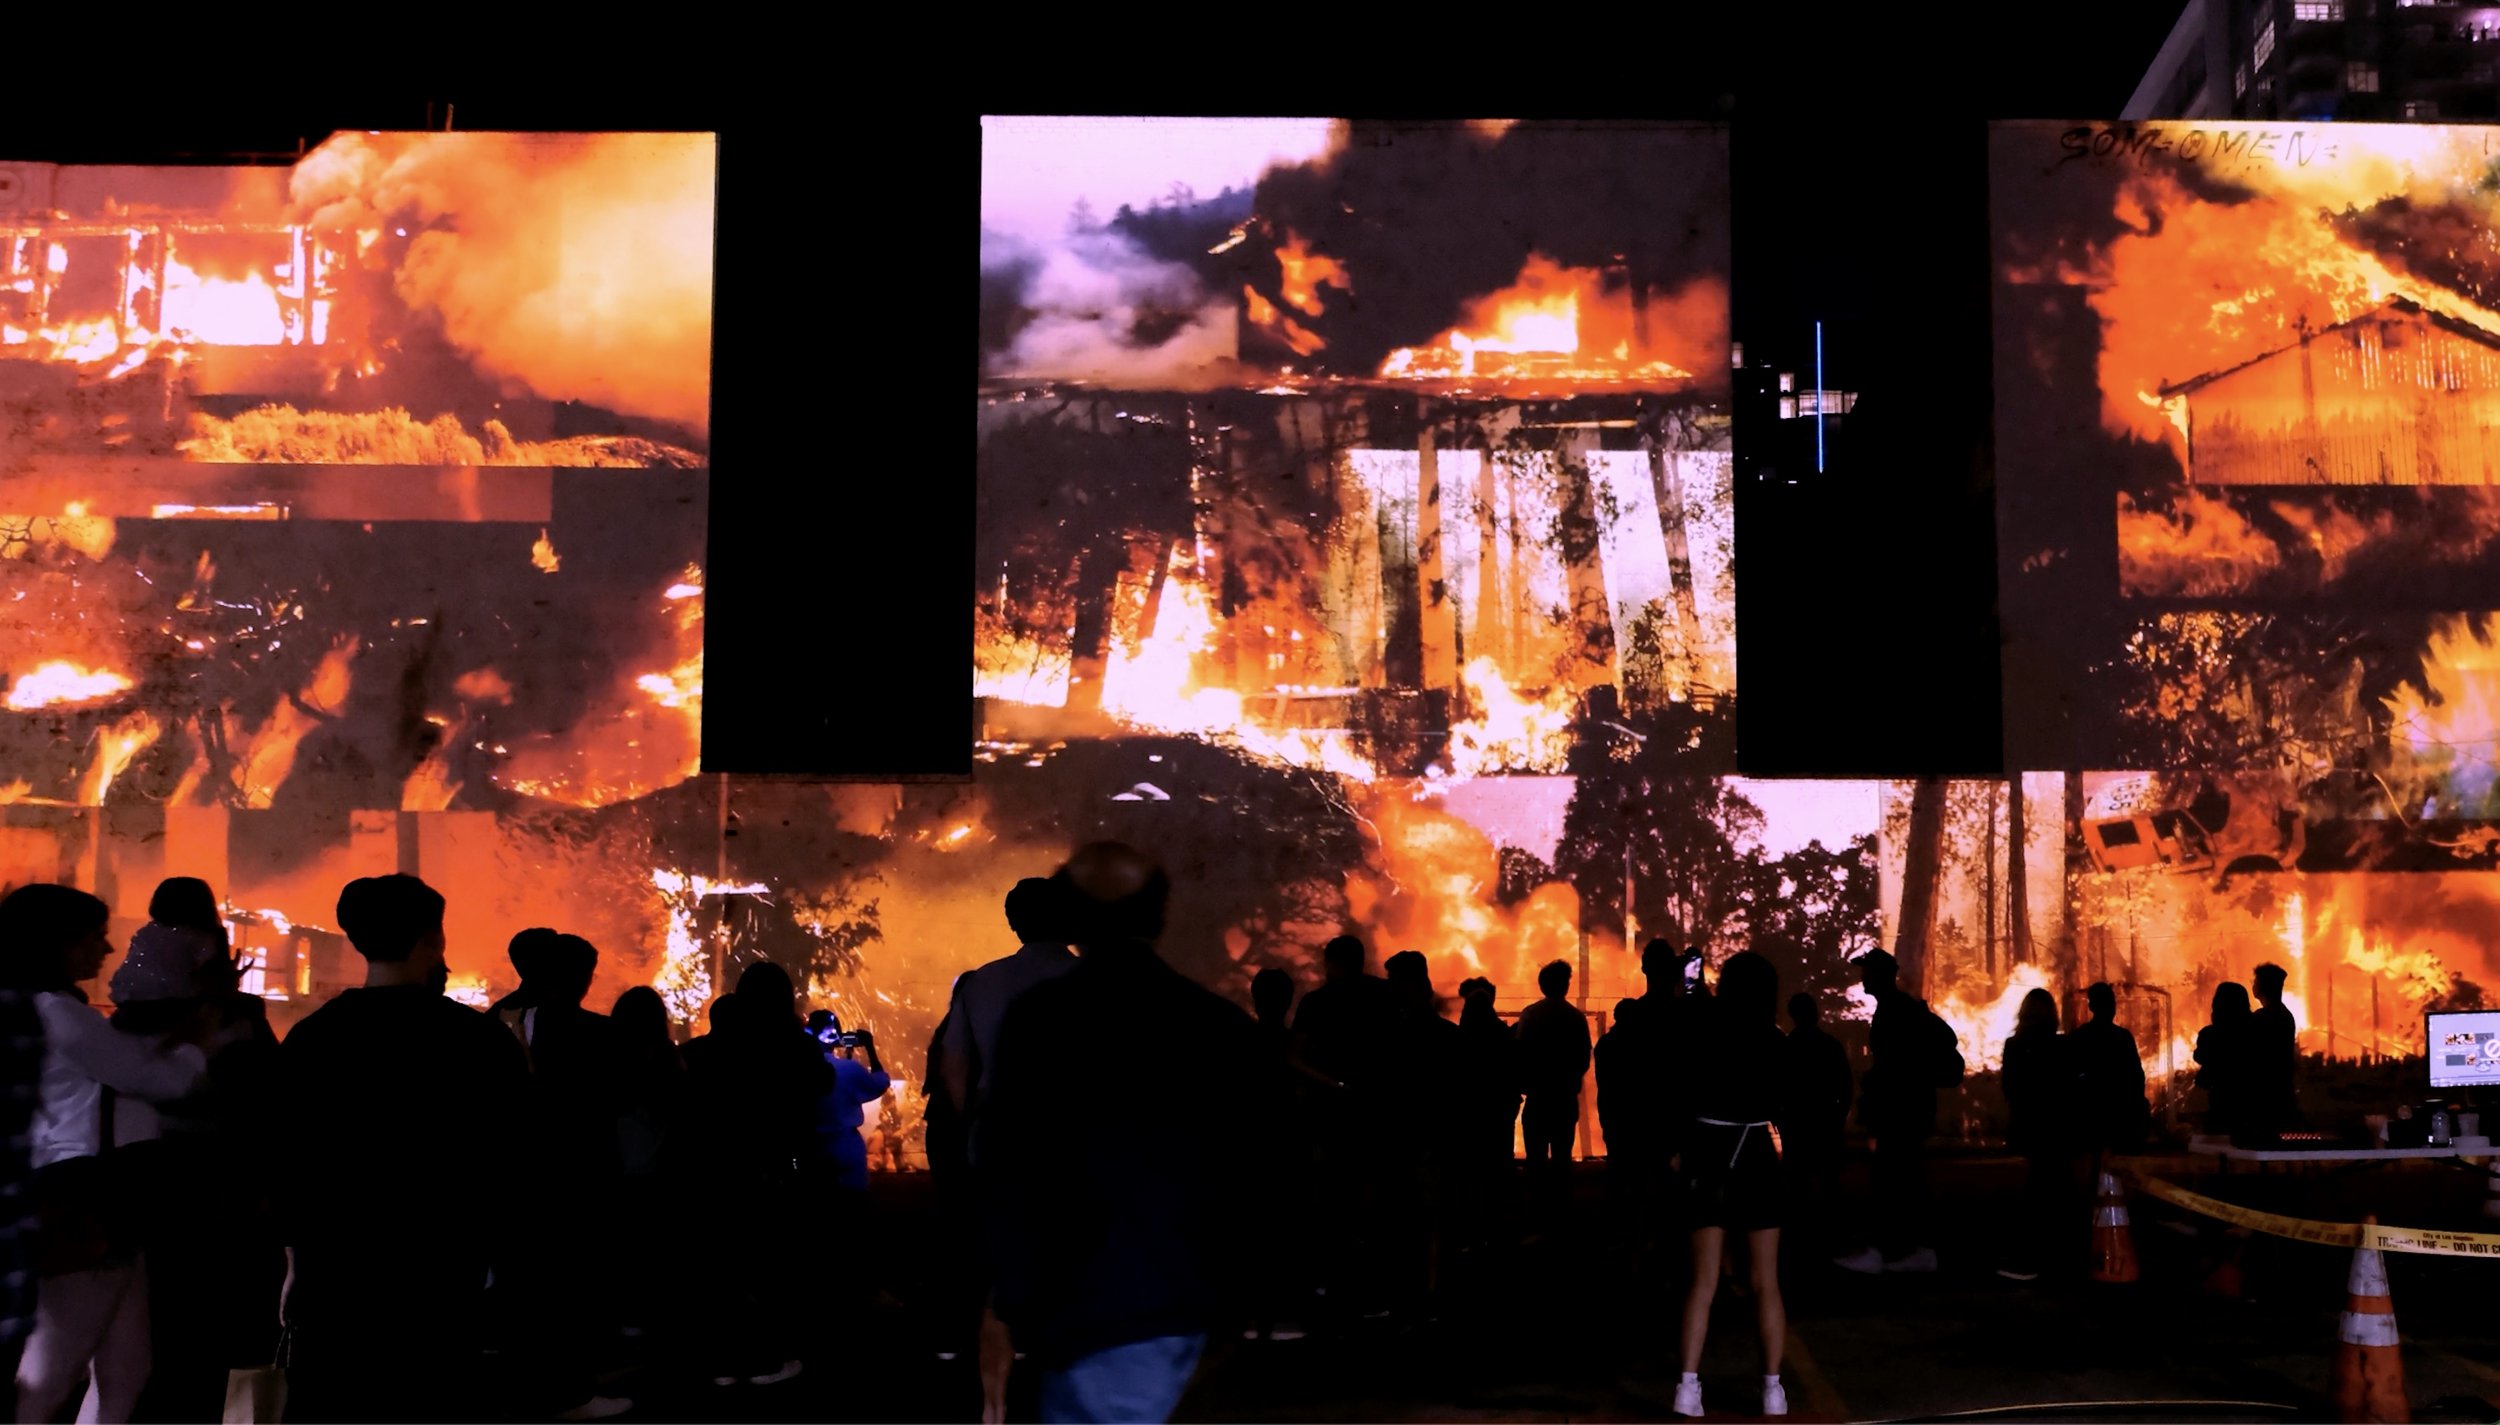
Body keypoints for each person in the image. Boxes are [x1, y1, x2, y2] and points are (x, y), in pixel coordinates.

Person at [983, 843, 1272, 1425]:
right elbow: (1259, 1173)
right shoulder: (1218, 1025)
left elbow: (1012, 1169)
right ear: (1160, 916)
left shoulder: (1040, 1020)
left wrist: (1007, 1297)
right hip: (1189, 1303)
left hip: (1086, 1303)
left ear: (1072, 918)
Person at [275, 874, 532, 1425]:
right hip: (439, 1265)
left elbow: (290, 1161)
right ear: (431, 940)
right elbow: (511, 1158)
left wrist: (295, 1259)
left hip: (336, 1266)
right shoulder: (480, 1041)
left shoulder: (312, 1038)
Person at [6, 885, 208, 1425]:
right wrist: (197, 1047)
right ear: (57, 945)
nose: (107, 947)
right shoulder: (61, 1015)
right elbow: (151, 1078)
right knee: (53, 1373)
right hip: (85, 1203)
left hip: (77, 1198)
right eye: (92, 938)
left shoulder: (28, 1009)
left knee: (125, 1367)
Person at [111, 879, 284, 1425]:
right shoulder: (230, 1019)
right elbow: (264, 1099)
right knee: (208, 1333)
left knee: (153, 1329)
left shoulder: (125, 1015)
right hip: (218, 1186)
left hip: (145, 1180)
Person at [927, 878, 1077, 1424]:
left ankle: (994, 1407)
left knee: (1000, 1279)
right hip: (1075, 1149)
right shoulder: (1094, 982)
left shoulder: (982, 984)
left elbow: (953, 1067)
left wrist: (977, 1124)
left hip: (1000, 1146)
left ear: (1013, 923)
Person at [678, 961, 830, 1391]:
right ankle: (765, 1359)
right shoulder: (794, 1047)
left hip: (713, 1174)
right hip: (775, 1173)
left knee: (719, 1269)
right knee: (772, 1267)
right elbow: (820, 1087)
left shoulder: (700, 1051)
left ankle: (721, 1360)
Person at [498, 932, 629, 1422]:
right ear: (576, 977)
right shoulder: (595, 1032)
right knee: (570, 1292)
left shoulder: (496, 1021)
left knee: (523, 1293)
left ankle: (526, 1386)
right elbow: (618, 1099)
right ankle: (570, 1393)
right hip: (577, 1181)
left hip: (514, 1181)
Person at [1669, 951, 1789, 1420]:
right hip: (1756, 1150)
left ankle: (1687, 1387)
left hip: (1708, 1150)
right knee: (1765, 1283)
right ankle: (1773, 1391)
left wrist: (1692, 977)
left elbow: (1680, 1086)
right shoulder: (1775, 1040)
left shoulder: (1703, 1028)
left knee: (1703, 1281)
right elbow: (1784, 1101)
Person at [1835, 949, 1954, 1275]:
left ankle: (1884, 1250)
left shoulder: (1895, 1011)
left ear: (1880, 975)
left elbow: (1897, 1068)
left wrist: (1877, 1090)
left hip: (1900, 1115)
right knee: (1905, 1180)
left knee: (1890, 1181)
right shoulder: (1897, 1009)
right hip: (1908, 1114)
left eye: (1867, 972)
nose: (1863, 978)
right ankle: (1916, 1249)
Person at [606, 986, 682, 1342]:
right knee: (654, 1247)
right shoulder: (668, 1061)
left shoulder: (606, 1059)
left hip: (615, 1170)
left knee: (622, 1247)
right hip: (657, 1170)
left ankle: (625, 1316)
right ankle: (653, 1317)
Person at [1997, 988, 2073, 1283]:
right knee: (2059, 1188)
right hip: (2059, 1128)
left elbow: (2010, 1088)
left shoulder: (2015, 1045)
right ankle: (2065, 1255)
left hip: (2031, 1128)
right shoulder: (2062, 1046)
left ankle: (2030, 1260)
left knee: (2039, 1190)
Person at [1514, 960, 1590, 1235]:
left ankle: (1537, 1215)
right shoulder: (1575, 1018)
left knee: (1535, 1160)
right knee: (1561, 1158)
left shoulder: (1530, 1016)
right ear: (1565, 984)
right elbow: (1583, 1058)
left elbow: (1519, 1055)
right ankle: (1562, 1218)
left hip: (1538, 1099)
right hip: (1563, 1100)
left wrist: (1526, 1083)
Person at [1775, 991, 1851, 1260]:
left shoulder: (1788, 1047)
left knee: (1799, 1185)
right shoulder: (1829, 1045)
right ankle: (1830, 1237)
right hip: (1825, 1123)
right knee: (1829, 1185)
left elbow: (1778, 1089)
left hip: (1799, 1126)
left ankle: (1801, 1240)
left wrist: (1782, 1121)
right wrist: (1839, 1115)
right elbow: (1845, 1085)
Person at [1450, 977, 1518, 1250]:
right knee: (1498, 1169)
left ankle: (1469, 1231)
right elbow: (1515, 1073)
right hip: (1498, 1112)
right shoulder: (1504, 1037)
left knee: (1469, 1172)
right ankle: (1497, 1229)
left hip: (1469, 1114)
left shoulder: (1457, 1040)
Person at [805, 1012, 891, 1193]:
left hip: (812, 1148)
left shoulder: (797, 1070)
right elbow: (881, 1082)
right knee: (853, 1205)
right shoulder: (850, 1069)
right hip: (847, 1146)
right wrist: (870, 1049)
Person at [1594, 997, 1655, 1241]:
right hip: (1637, 1115)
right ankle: (1637, 1222)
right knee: (1639, 1170)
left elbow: (1604, 1081)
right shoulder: (1643, 1045)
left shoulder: (1607, 1044)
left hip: (1613, 1111)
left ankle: (1615, 1221)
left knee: (1616, 1166)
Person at [2071, 983, 2148, 1165]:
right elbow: (2137, 1078)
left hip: (2088, 1119)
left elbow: (2071, 1078)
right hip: (2120, 1119)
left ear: (2091, 1006)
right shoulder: (2123, 1037)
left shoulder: (2079, 1037)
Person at [2194, 982, 2254, 1139]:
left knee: (2219, 1148)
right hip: (2253, 1108)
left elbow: (2200, 1057)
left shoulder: (2210, 1034)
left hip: (2221, 1105)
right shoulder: (2256, 1030)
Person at [2247, 963, 2300, 1135]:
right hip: (2282, 1091)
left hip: (2267, 1095)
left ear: (2263, 986)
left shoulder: (2264, 1017)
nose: (2252, 985)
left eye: (2255, 981)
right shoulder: (2285, 1015)